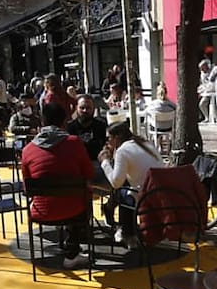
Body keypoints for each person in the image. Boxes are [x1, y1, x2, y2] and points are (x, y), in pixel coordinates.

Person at [20, 102, 95, 270]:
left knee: (65, 198)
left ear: (42, 121)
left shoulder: (27, 150)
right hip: (75, 210)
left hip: (41, 211)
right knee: (81, 196)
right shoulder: (74, 143)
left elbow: (26, 187)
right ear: (64, 122)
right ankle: (72, 252)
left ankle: (70, 247)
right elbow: (89, 173)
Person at [99, 120, 165, 244]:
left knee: (122, 191)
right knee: (125, 188)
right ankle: (115, 218)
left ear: (117, 137)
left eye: (109, 138)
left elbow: (115, 182)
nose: (107, 142)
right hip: (160, 191)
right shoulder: (145, 143)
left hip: (144, 196)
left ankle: (126, 232)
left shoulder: (123, 151)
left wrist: (105, 162)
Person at [67, 94, 107, 162]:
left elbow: (106, 145)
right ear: (76, 108)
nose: (85, 110)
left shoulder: (101, 126)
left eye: (88, 108)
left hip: (96, 161)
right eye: (82, 108)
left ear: (93, 109)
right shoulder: (69, 127)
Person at [197, 58, 216, 122]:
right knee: (201, 104)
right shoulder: (202, 73)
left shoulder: (212, 72)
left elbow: (212, 83)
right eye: (200, 68)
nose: (201, 69)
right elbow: (203, 83)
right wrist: (201, 89)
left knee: (214, 105)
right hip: (206, 91)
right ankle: (206, 117)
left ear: (206, 66)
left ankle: (216, 118)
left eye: (202, 68)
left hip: (214, 91)